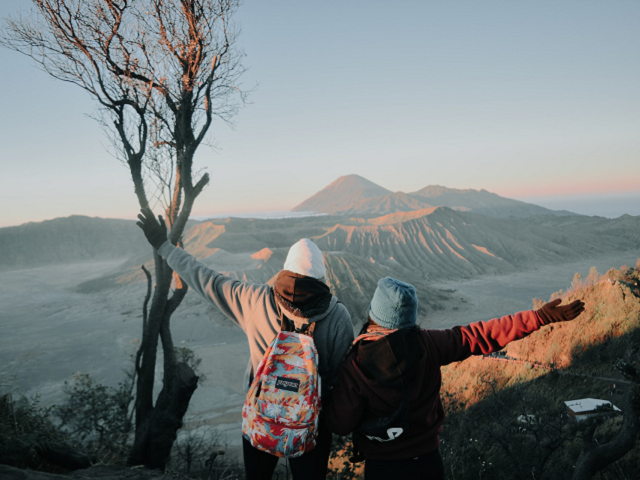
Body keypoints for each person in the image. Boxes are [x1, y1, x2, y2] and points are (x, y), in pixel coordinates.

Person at [136, 207, 354, 480]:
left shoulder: (255, 299)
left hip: (261, 417)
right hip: (311, 424)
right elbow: (341, 379)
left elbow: (204, 278)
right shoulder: (337, 315)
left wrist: (163, 245)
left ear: (285, 270)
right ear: (322, 277)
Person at [328, 277, 585, 480]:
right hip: (427, 462)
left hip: (382, 467)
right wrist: (538, 317)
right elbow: (480, 335)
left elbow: (341, 424)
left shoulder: (355, 363)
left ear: (374, 314)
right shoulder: (429, 344)